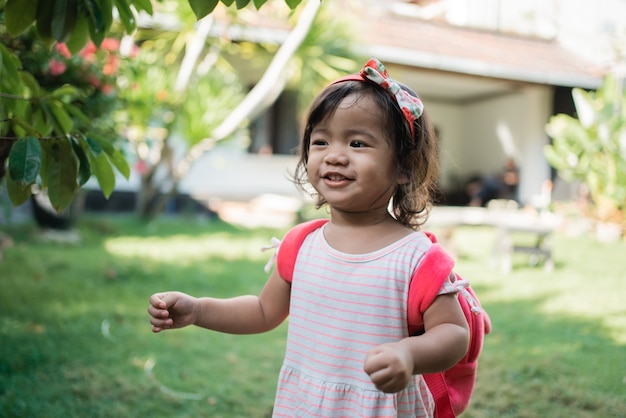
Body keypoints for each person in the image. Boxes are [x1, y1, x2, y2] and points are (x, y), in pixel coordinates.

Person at [148, 58, 471, 417]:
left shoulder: (415, 257)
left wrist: (409, 355)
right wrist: (198, 309)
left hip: (380, 407)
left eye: (358, 144)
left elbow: (454, 334)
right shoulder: (301, 245)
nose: (334, 155)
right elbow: (262, 311)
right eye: (320, 141)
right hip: (305, 404)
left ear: (404, 167)